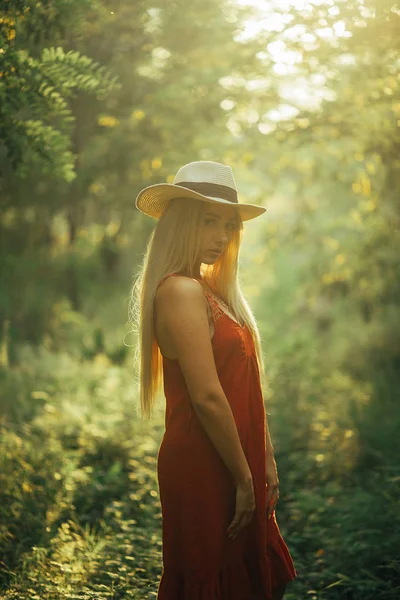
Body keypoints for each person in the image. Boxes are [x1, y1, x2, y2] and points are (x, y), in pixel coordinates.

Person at [131, 161, 297, 600]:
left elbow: (244, 385)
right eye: (209, 222)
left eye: (228, 225)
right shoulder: (179, 291)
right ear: (181, 222)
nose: (222, 237)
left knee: (259, 580)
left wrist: (265, 458)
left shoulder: (211, 290)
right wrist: (244, 478)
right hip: (205, 462)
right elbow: (207, 396)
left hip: (235, 455)